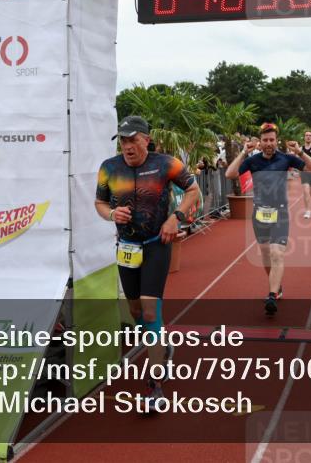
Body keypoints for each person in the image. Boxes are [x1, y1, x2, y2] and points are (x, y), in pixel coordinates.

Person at [94, 116, 199, 412]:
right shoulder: (109, 168)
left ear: (146, 140)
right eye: (123, 141)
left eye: (132, 140)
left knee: (150, 310)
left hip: (156, 245)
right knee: (136, 310)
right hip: (127, 248)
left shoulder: (166, 163)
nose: (127, 146)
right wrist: (111, 214)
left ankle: (155, 387)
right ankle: (161, 344)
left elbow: (193, 190)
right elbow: (99, 203)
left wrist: (174, 218)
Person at [225, 122, 311, 316]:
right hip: (260, 213)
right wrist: (243, 153)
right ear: (260, 142)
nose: (269, 143)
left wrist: (300, 152)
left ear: (276, 141)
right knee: (266, 255)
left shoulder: (286, 159)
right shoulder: (253, 161)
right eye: (265, 140)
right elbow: (230, 174)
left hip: (281, 212)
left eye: (272, 140)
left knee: (277, 253)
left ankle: (271, 295)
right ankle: (277, 286)